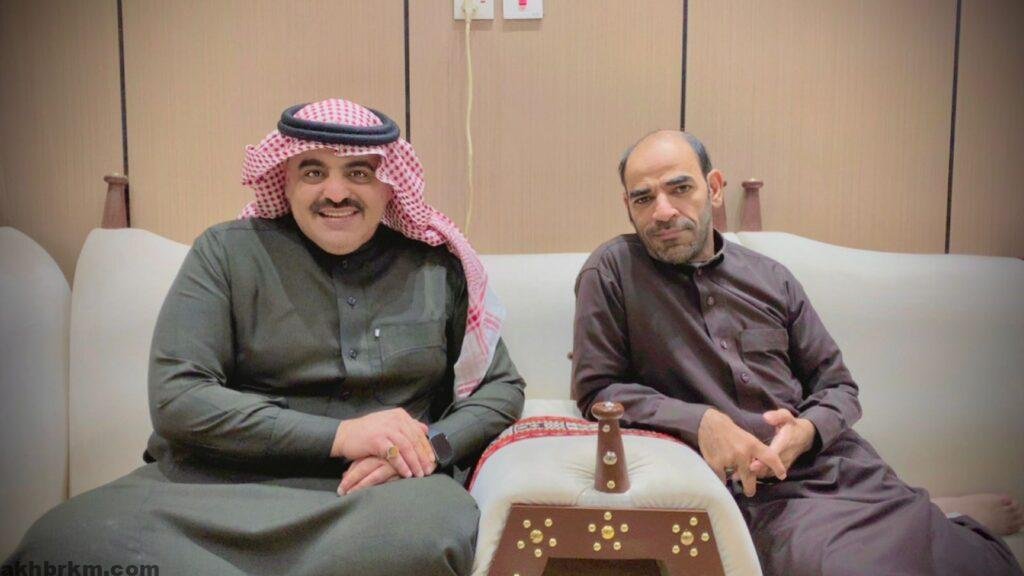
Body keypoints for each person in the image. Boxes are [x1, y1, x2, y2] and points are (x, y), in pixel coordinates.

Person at [5, 99, 525, 576]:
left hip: (375, 497)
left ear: (390, 185)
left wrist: (431, 447)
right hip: (212, 490)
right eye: (313, 172)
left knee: (423, 539)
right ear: (284, 179)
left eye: (358, 173)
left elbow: (500, 388)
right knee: (63, 542)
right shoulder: (226, 255)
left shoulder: (434, 267)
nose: (336, 192)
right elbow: (179, 399)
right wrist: (342, 436)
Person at [571, 129, 1023, 575]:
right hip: (756, 494)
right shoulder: (612, 272)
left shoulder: (772, 278)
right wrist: (703, 422)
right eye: (643, 198)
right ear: (627, 206)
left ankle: (942, 517)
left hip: (842, 468)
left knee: (976, 563)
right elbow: (596, 389)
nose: (663, 211)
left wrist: (806, 430)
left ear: (714, 188)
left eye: (680, 188)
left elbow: (839, 387)